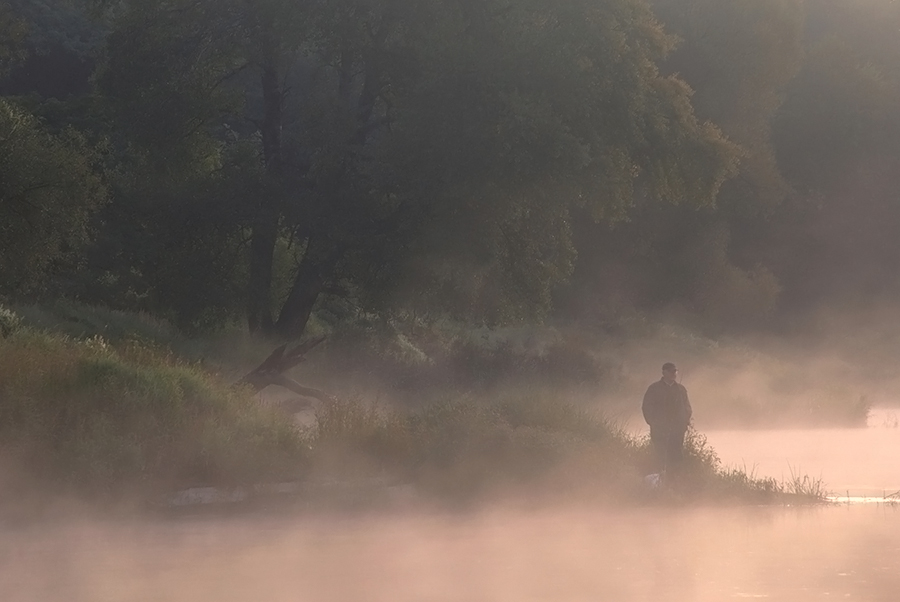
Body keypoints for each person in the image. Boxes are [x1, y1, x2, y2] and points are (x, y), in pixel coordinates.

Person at [642, 362, 692, 476]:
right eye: (671, 371)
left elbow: (687, 408)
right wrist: (653, 423)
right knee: (660, 456)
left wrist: (683, 423)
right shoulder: (654, 388)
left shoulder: (681, 389)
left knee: (676, 457)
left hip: (677, 431)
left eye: (675, 371)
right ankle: (659, 483)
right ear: (664, 372)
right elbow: (646, 407)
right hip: (659, 431)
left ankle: (675, 483)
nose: (673, 374)